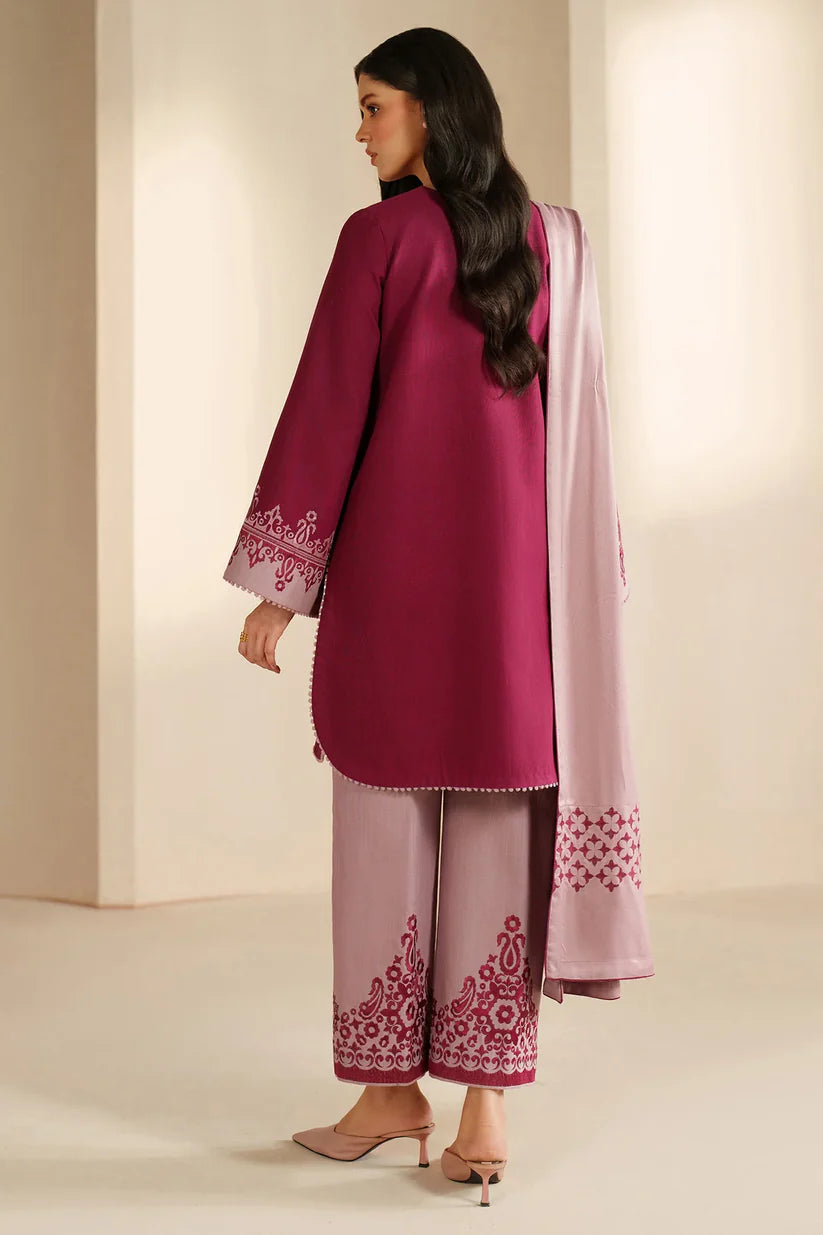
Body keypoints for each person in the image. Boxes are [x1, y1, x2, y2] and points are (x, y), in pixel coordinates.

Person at [223, 27, 653, 1208]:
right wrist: (595, 575)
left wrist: (279, 591)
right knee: (498, 845)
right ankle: (481, 1115)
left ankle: (388, 1092)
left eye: (374, 106)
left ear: (432, 110)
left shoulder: (378, 239)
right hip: (520, 612)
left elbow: (327, 412)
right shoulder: (554, 242)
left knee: (383, 842)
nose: (359, 131)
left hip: (395, 600)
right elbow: (587, 433)